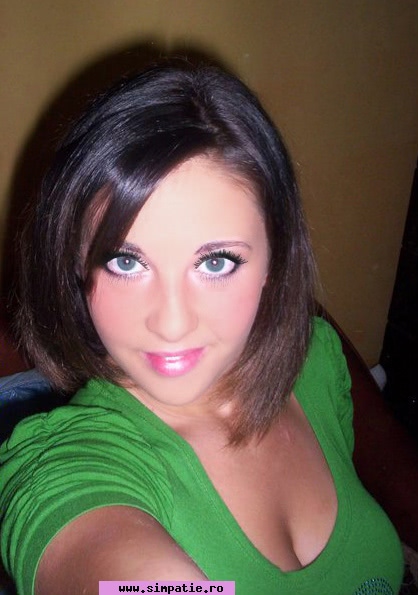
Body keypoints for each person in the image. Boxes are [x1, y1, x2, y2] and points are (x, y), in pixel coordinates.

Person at [0, 62, 404, 595]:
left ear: (275, 258)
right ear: (75, 263)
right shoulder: (66, 463)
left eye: (215, 263)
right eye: (126, 262)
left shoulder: (316, 360)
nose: (171, 324)